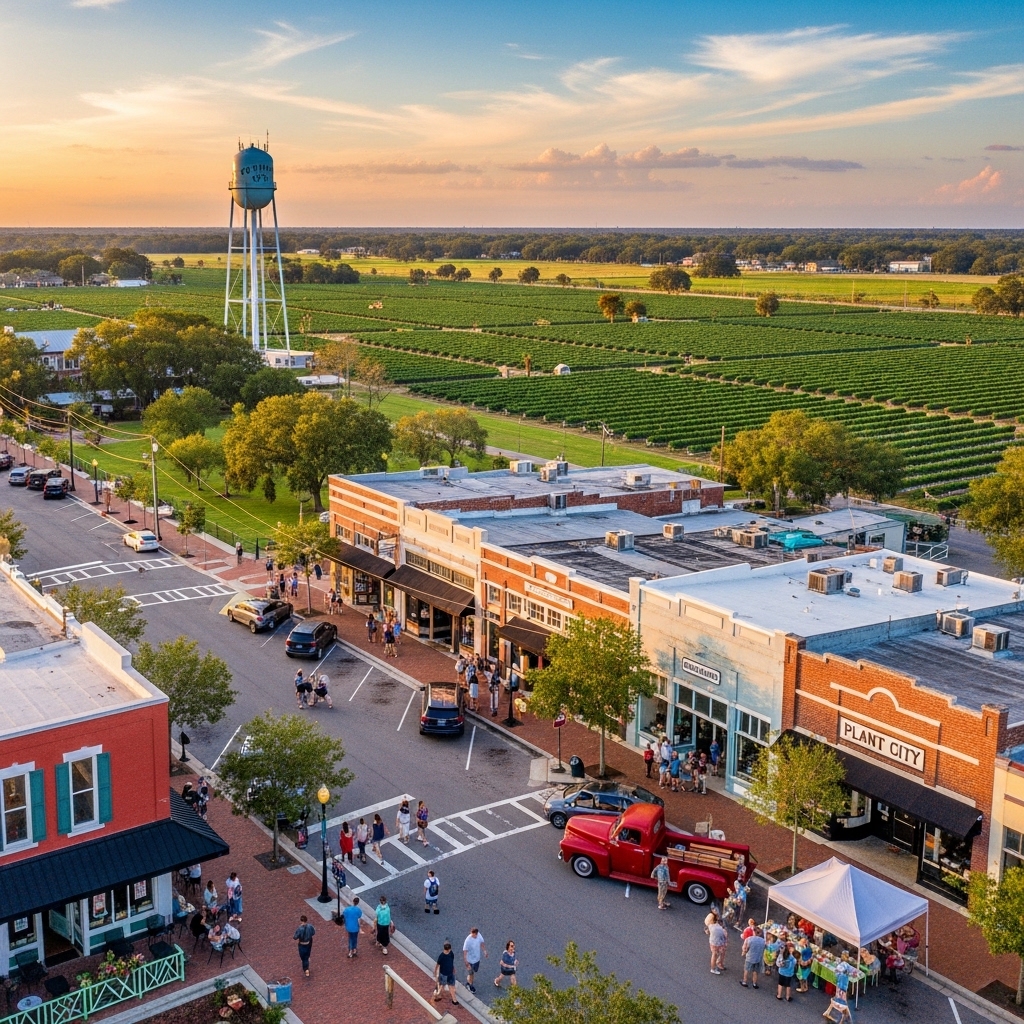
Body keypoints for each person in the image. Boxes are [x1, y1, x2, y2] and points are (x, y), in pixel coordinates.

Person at [434, 941, 459, 1006]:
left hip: (450, 972)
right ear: (449, 949)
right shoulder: (442, 956)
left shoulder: (450, 954)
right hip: (443, 974)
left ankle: (454, 999)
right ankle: (437, 994)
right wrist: (435, 972)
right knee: (442, 985)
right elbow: (437, 964)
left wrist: (453, 968)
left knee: (451, 985)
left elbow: (451, 962)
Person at [463, 927, 487, 993]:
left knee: (474, 971)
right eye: (471, 934)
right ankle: (471, 986)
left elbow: (482, 943)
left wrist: (484, 951)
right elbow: (465, 951)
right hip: (470, 960)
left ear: (476, 934)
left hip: (477, 959)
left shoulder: (479, 936)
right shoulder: (468, 940)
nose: (471, 935)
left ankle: (468, 982)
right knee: (471, 973)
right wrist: (466, 961)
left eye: (473, 934)